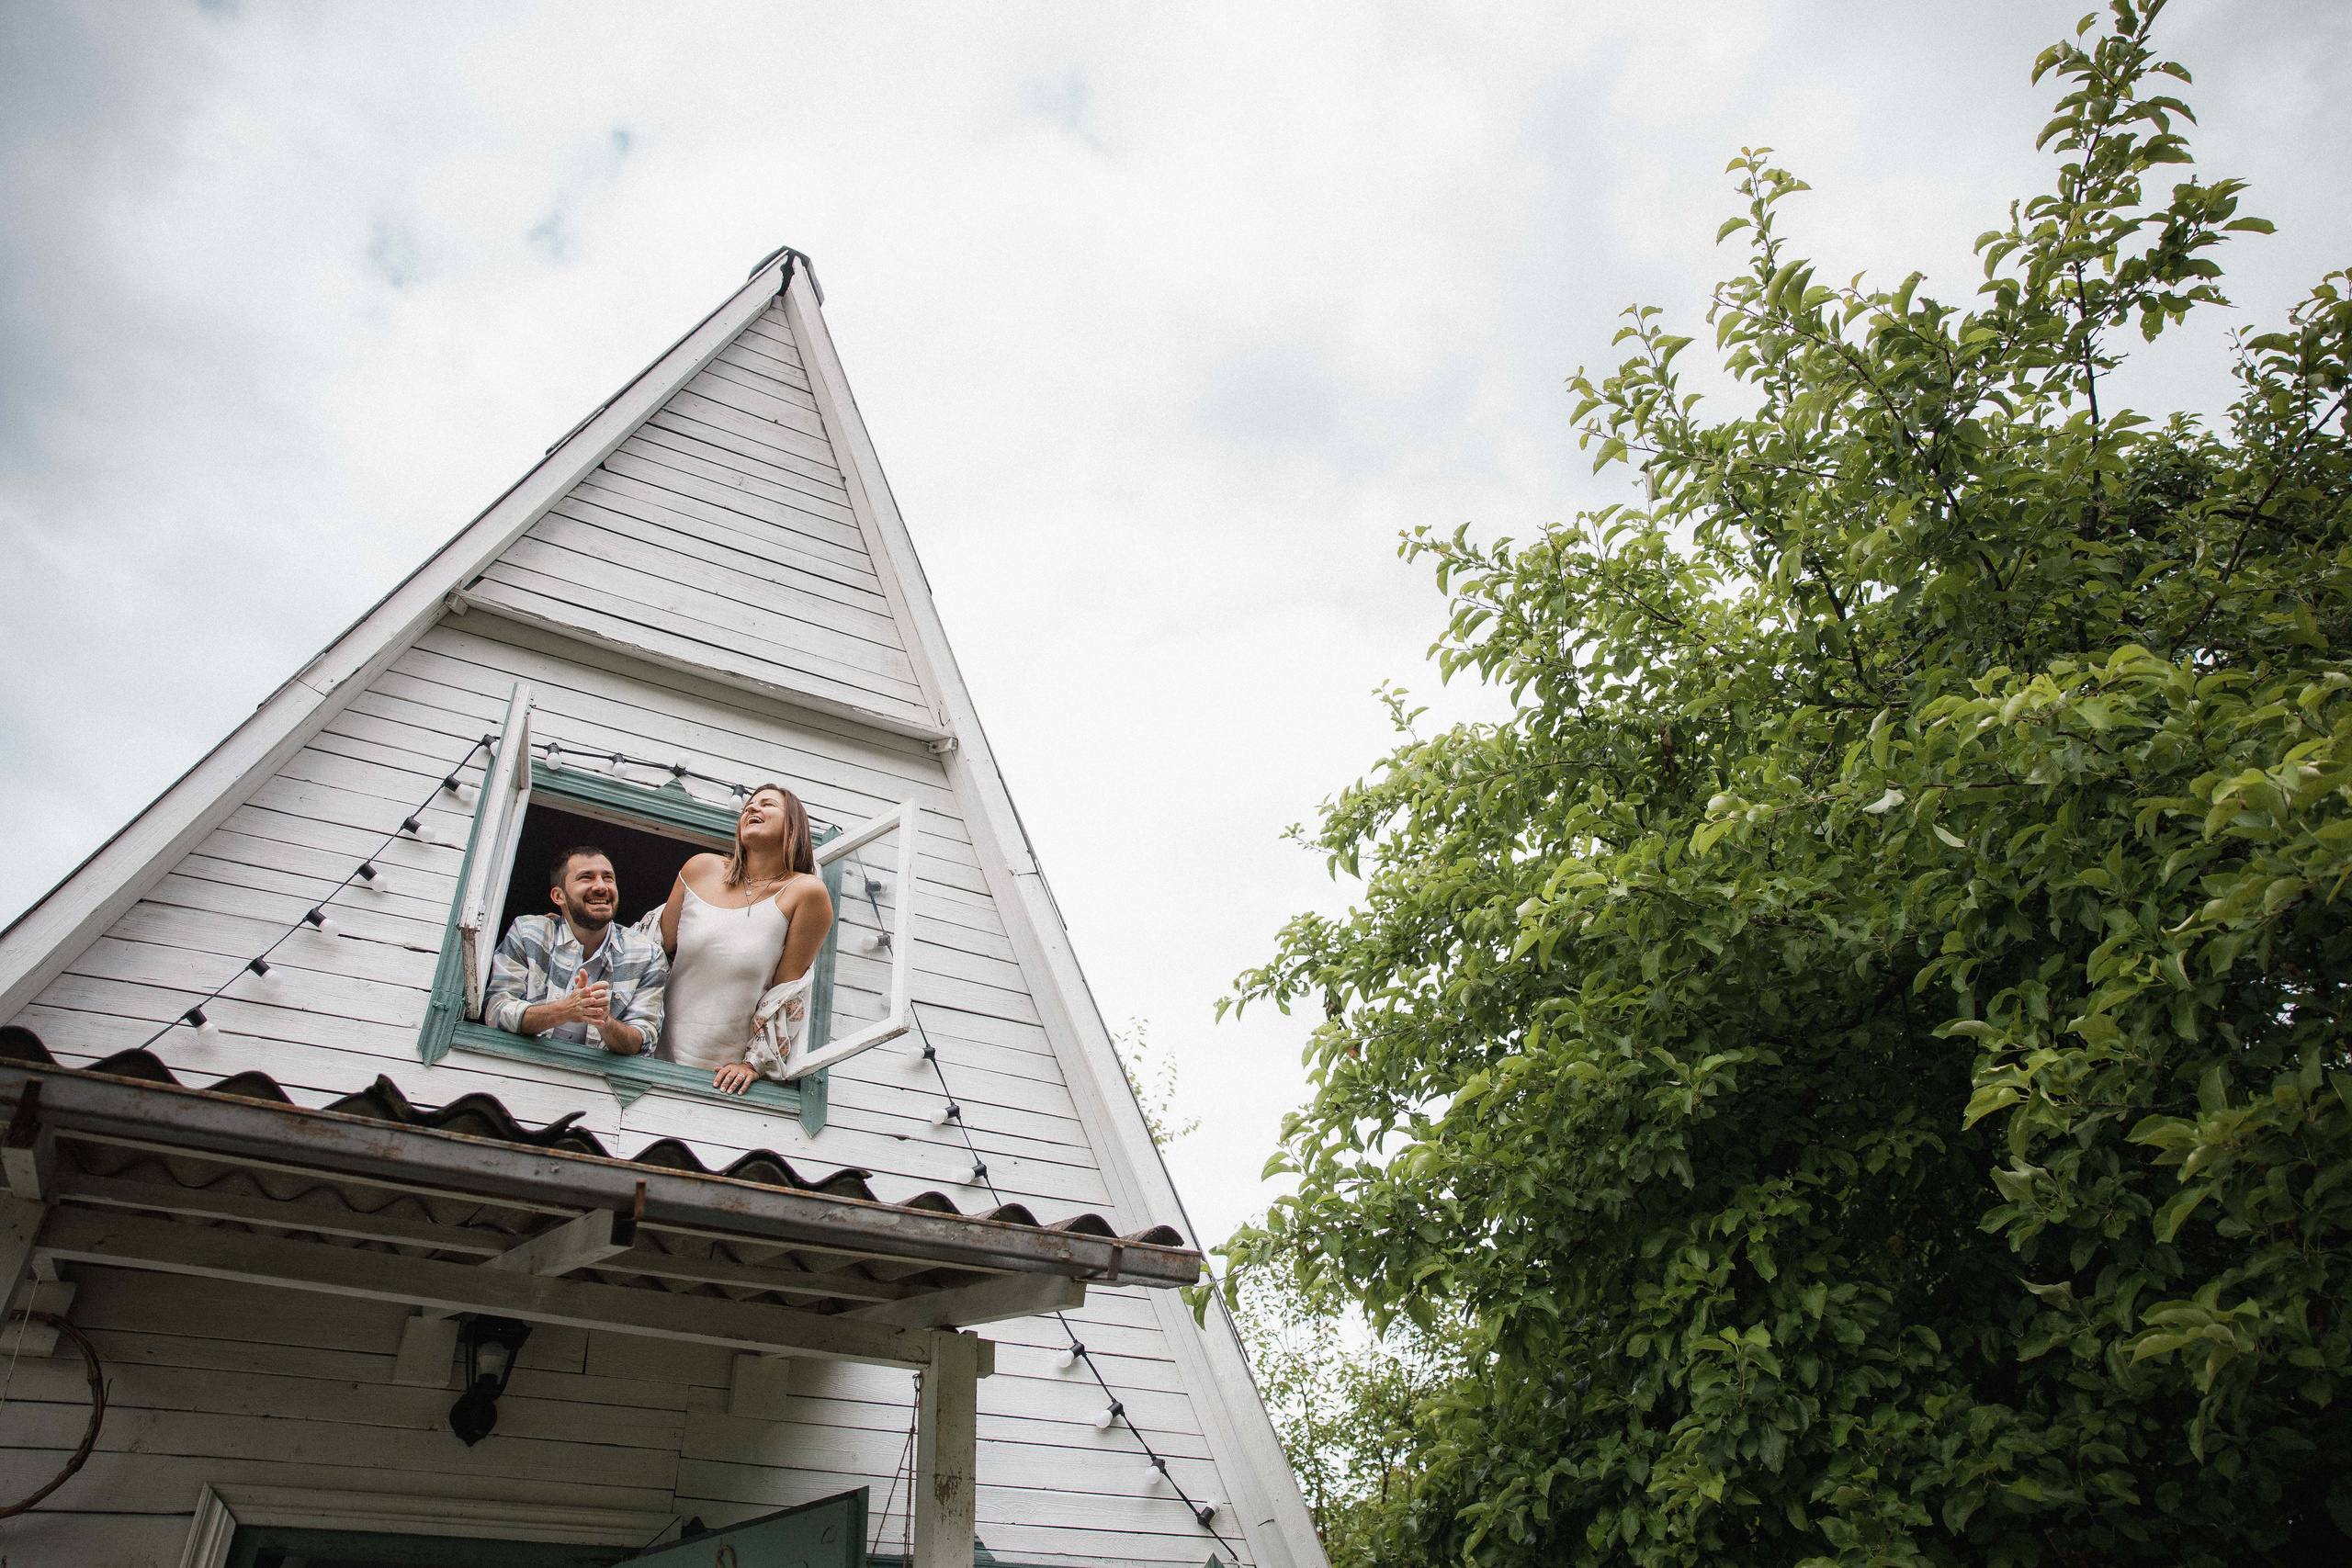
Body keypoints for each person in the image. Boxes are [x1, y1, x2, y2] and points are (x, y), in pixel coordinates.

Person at [660, 784, 834, 1094]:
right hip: (652, 1056)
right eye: (748, 807)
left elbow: (784, 994)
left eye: (767, 804)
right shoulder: (700, 868)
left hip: (723, 1078)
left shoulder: (805, 892)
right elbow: (652, 948)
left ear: (793, 824)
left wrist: (754, 1063)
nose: (752, 809)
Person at [485, 846, 666, 1055]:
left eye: (608, 878)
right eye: (586, 878)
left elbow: (643, 1042)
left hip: (599, 1085)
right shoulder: (528, 933)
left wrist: (604, 1020)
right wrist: (565, 1010)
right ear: (558, 896)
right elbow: (496, 1010)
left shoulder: (647, 955)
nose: (601, 887)